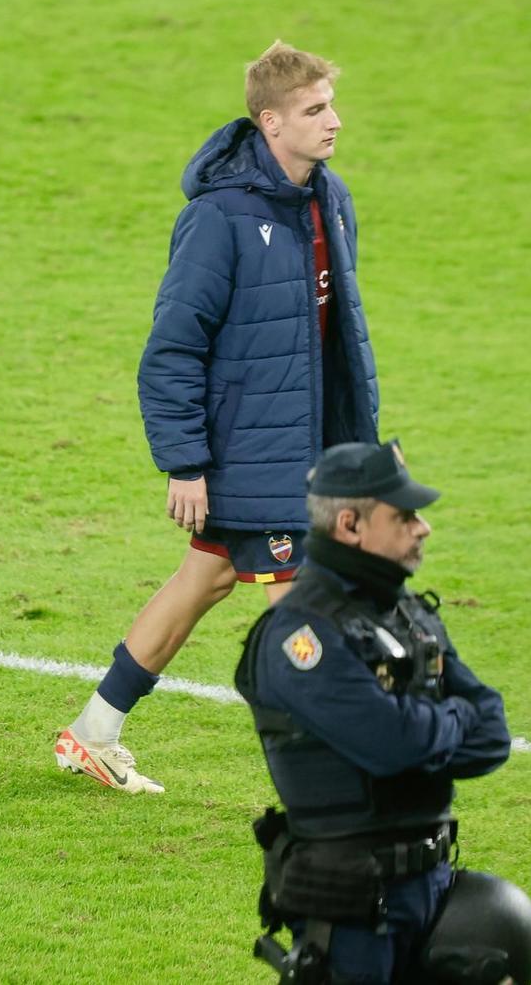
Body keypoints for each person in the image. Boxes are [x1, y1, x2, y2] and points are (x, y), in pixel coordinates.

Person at [56, 41, 379, 795]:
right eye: (314, 109)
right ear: (270, 122)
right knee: (298, 608)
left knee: (202, 580)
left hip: (304, 449)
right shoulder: (219, 219)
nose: (334, 120)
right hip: (247, 455)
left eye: (331, 103)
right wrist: (186, 461)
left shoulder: (330, 199)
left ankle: (94, 731)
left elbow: (336, 340)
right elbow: (172, 345)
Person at [237, 442, 531, 984]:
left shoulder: (408, 615)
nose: (422, 528)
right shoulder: (301, 634)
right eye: (403, 516)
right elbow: (389, 744)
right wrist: (448, 723)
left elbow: (492, 730)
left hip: (434, 890)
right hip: (354, 909)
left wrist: (426, 729)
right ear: (350, 525)